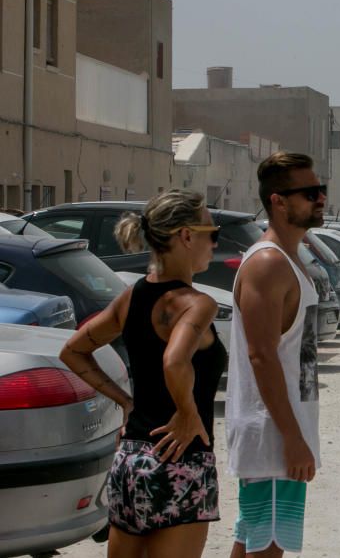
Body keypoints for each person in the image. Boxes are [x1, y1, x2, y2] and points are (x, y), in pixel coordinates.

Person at [59, 189, 226, 557]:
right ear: (186, 236)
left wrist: (126, 403)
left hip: (131, 460)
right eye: (211, 233)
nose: (216, 243)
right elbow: (174, 360)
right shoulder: (197, 304)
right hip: (181, 460)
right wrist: (187, 411)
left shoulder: (131, 297)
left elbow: (74, 350)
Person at [227, 152, 325, 557]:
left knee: (252, 543)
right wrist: (292, 439)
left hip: (280, 433)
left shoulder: (290, 259)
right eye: (308, 193)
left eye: (321, 191)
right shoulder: (268, 264)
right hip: (272, 437)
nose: (319, 199)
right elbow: (261, 356)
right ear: (277, 201)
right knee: (267, 549)